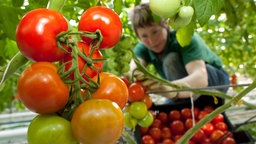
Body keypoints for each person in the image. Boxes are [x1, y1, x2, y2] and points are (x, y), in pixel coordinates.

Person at [128, 3, 230, 102]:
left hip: (215, 80)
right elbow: (133, 71)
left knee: (170, 60)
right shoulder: (142, 48)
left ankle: (192, 102)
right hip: (182, 88)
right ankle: (184, 102)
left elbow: (200, 78)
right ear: (139, 37)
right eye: (144, 36)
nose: (152, 40)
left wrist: (170, 89)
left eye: (155, 32)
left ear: (166, 25)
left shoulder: (184, 38)